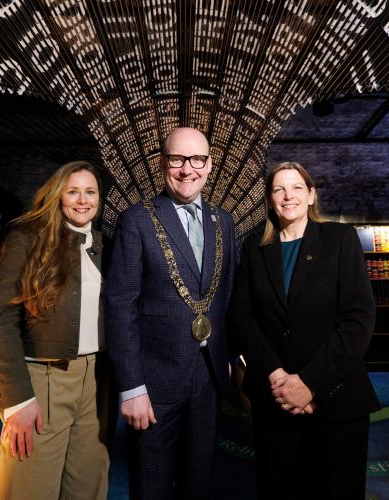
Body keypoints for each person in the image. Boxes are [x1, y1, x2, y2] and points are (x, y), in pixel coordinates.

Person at [228, 161, 380, 499]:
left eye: (296, 187)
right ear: (269, 199)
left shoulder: (340, 239)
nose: (288, 195)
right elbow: (242, 319)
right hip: (275, 398)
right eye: (279, 189)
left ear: (311, 195)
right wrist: (278, 378)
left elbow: (358, 319)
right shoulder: (254, 249)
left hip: (335, 400)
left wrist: (310, 383)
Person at [105, 127, 236, 499]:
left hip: (208, 378)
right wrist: (131, 387)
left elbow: (225, 295)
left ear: (209, 165)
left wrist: (226, 356)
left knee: (201, 481)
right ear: (163, 163)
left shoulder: (223, 221)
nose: (186, 169)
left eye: (197, 159)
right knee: (152, 484)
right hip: (154, 382)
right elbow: (119, 305)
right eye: (177, 159)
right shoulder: (137, 220)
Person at [0, 161, 111, 500]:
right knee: (30, 488)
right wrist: (16, 399)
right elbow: (2, 319)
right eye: (73, 191)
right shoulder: (27, 238)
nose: (82, 200)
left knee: (88, 486)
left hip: (96, 383)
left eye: (90, 192)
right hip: (42, 379)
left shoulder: (105, 244)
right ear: (58, 196)